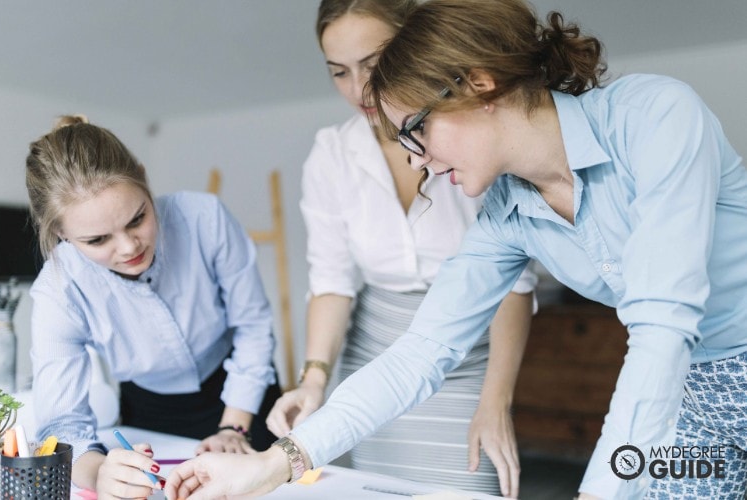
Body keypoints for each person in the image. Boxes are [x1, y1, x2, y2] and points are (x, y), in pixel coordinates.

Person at [166, 0, 747, 498]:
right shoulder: (504, 214)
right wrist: (271, 466)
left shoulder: (655, 116)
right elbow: (420, 353)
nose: (415, 159)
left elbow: (663, 325)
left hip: (680, 355)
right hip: (693, 384)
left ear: (478, 84)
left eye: (415, 130)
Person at [264, 0, 537, 495]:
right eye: (339, 73)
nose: (359, 89)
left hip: (466, 355)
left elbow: (514, 284)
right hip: (373, 357)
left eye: (373, 64)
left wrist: (495, 401)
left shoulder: (472, 139)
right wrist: (313, 380)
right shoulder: (332, 153)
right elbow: (330, 282)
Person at [26, 115, 282, 497]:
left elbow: (254, 326)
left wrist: (233, 428)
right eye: (97, 240)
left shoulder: (204, 219)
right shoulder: (58, 289)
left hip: (245, 394)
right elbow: (61, 424)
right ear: (61, 232)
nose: (129, 247)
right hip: (148, 410)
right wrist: (99, 474)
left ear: (144, 179)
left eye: (138, 218)